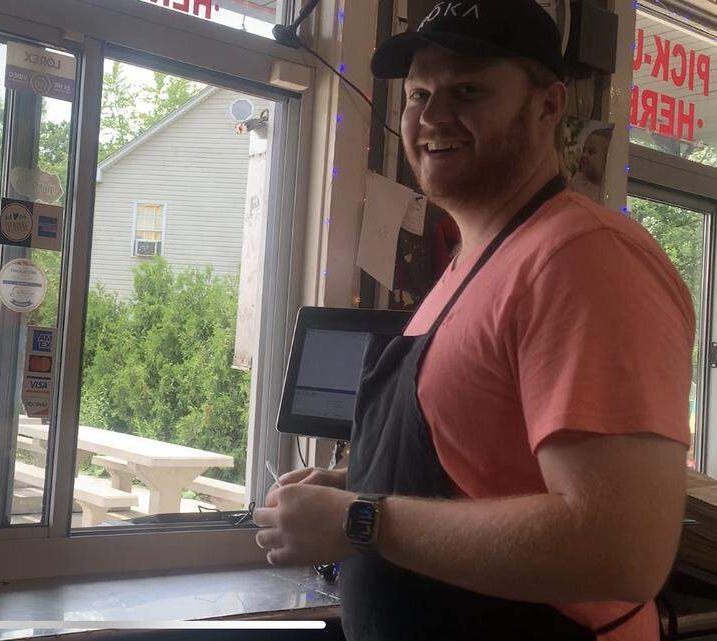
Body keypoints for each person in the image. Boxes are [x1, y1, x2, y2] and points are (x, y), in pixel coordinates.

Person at [253, 2, 693, 640]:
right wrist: (358, 483)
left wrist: (359, 519)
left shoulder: (583, 257)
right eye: (419, 94)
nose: (431, 117)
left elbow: (620, 551)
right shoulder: (476, 262)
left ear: (548, 105)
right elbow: (486, 462)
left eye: (468, 90)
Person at [569, 127, 613, 203]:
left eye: (591, 151)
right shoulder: (576, 180)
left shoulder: (606, 194)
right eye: (584, 150)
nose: (584, 155)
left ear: (606, 159)